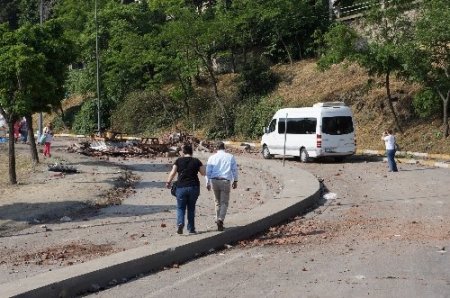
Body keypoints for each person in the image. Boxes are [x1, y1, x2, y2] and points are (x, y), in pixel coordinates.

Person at [166, 143, 206, 235]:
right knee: (191, 208)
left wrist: (168, 182)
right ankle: (191, 229)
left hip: (181, 187)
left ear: (183, 152)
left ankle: (180, 224)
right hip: (193, 187)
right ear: (191, 152)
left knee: (180, 208)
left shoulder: (178, 161)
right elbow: (203, 173)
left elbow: (173, 173)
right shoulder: (196, 161)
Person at [206, 142, 238, 231]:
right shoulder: (230, 157)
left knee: (217, 201)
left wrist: (207, 182)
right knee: (224, 202)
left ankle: (217, 219)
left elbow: (208, 171)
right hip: (225, 181)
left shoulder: (212, 157)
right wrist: (235, 180)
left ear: (216, 148)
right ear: (224, 148)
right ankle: (220, 219)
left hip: (214, 180)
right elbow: (234, 169)